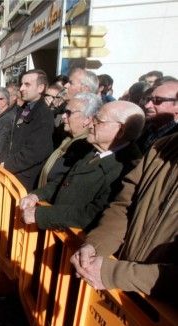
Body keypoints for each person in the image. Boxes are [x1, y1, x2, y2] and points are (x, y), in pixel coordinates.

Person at [70, 132, 177, 305]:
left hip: (162, 314)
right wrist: (95, 246)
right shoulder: (162, 147)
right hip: (120, 296)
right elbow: (124, 206)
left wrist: (115, 274)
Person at [20, 100, 145, 231]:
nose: (90, 124)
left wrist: (41, 215)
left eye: (98, 121)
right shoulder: (94, 149)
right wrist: (37, 195)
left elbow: (95, 213)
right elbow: (65, 180)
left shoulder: (127, 168)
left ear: (120, 130)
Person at [0, 69, 54, 191]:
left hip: (24, 179)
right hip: (10, 172)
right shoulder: (25, 108)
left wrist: (7, 164)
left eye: (27, 84)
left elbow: (35, 152)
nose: (22, 88)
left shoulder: (43, 115)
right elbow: (11, 137)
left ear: (40, 88)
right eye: (22, 84)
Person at [37, 92, 101, 187]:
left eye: (69, 113)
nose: (63, 116)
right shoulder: (65, 138)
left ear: (87, 119)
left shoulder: (84, 150)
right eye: (64, 111)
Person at [137, 80, 178, 153]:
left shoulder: (175, 138)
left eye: (157, 100)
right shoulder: (144, 128)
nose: (147, 106)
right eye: (149, 99)